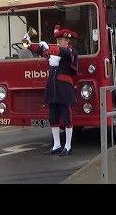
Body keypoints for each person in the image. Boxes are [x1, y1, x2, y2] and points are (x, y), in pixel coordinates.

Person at [25, 25, 79, 156]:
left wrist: (48, 48)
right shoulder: (54, 51)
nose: (60, 42)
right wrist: (27, 42)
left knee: (66, 118)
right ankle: (56, 145)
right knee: (53, 117)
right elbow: (36, 49)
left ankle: (68, 145)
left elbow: (62, 53)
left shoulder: (70, 52)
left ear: (68, 41)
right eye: (59, 40)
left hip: (64, 89)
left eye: (63, 40)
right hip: (53, 88)